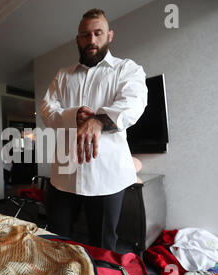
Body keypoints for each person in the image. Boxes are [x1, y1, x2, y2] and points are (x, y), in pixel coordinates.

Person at [39, 8, 148, 251]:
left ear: (109, 35)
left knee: (103, 247)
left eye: (98, 33)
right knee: (57, 242)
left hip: (107, 178)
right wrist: (72, 115)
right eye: (85, 35)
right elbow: (46, 109)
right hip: (64, 177)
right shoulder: (62, 76)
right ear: (77, 39)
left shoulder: (127, 69)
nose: (91, 40)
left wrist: (98, 120)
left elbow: (134, 102)